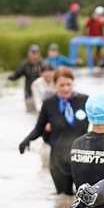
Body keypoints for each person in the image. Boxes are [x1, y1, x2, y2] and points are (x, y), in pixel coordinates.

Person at [19, 67, 89, 195]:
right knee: (62, 199)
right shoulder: (48, 104)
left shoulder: (85, 100)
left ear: (73, 83)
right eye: (61, 85)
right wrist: (26, 140)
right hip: (58, 160)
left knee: (85, 198)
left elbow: (99, 121)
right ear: (54, 85)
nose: (66, 88)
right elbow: (39, 128)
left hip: (82, 158)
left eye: (69, 84)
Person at [8, 45, 50, 113]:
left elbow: (53, 75)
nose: (34, 56)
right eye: (33, 53)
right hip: (29, 95)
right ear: (29, 54)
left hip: (41, 94)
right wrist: (10, 77)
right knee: (31, 112)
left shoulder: (44, 64)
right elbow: (16, 75)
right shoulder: (24, 65)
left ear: (39, 54)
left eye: (36, 53)